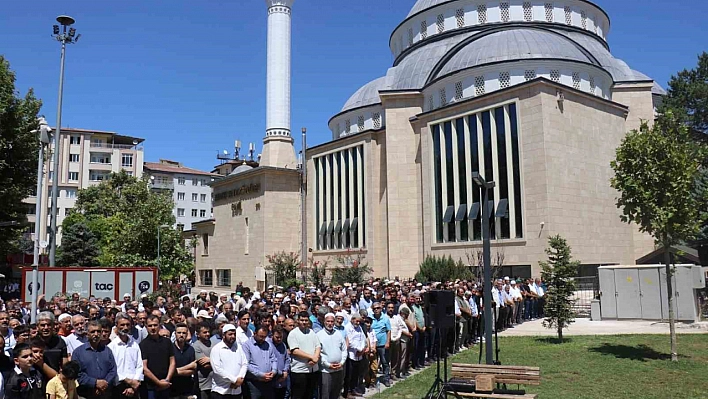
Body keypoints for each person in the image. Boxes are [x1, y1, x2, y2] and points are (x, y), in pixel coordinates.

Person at [72, 320, 117, 399]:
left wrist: (104, 384)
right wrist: (95, 383)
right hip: (85, 394)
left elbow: (112, 370)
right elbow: (77, 374)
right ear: (87, 334)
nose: (96, 334)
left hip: (105, 393)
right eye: (93, 332)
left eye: (98, 331)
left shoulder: (107, 350)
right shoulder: (78, 352)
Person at [108, 313, 144, 399]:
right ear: (116, 326)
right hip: (119, 387)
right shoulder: (111, 346)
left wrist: (134, 383)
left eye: (128, 325)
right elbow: (113, 368)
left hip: (135, 387)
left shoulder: (134, 344)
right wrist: (128, 381)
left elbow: (139, 365)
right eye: (122, 325)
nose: (125, 327)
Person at [140, 314, 176, 399]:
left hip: (167, 385)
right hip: (150, 388)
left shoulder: (167, 342)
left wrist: (167, 380)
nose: (153, 328)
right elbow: (144, 368)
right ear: (146, 327)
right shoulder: (143, 345)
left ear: (159, 326)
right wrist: (158, 383)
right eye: (150, 325)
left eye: (155, 325)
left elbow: (172, 362)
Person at [287, 311, 321, 399]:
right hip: (299, 371)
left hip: (312, 370)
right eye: (302, 320)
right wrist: (312, 357)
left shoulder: (312, 332)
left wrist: (315, 358)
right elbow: (295, 351)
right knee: (298, 395)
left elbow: (318, 346)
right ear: (298, 321)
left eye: (306, 320)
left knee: (309, 395)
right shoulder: (293, 334)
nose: (304, 322)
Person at [210, 324, 247, 399]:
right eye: (230, 334)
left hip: (236, 391)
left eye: (234, 334)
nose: (233, 336)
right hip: (221, 391)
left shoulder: (239, 348)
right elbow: (217, 369)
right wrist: (234, 380)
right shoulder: (217, 349)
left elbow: (244, 363)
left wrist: (240, 379)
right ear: (223, 335)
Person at [242, 324, 277, 399]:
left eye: (264, 337)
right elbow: (246, 364)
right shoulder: (247, 345)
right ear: (254, 334)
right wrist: (261, 375)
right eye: (261, 336)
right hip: (254, 382)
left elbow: (273, 359)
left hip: (268, 381)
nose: (263, 339)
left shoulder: (268, 344)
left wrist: (273, 371)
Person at [317, 313, 347, 399]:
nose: (330, 323)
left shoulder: (338, 334)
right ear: (324, 322)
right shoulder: (319, 335)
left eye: (332, 321)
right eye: (328, 321)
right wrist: (328, 365)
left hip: (339, 368)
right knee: (325, 394)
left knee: (336, 393)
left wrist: (342, 362)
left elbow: (344, 350)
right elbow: (318, 354)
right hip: (326, 371)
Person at [37, 311, 68, 379]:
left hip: (55, 381)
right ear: (37, 326)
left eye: (49, 325)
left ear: (53, 326)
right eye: (42, 325)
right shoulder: (32, 342)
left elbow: (65, 365)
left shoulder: (60, 342)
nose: (46, 328)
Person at [171, 323, 197, 399]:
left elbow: (192, 370)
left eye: (184, 333)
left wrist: (176, 371)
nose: (181, 335)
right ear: (175, 334)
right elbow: (169, 371)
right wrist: (189, 366)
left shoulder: (190, 349)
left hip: (187, 389)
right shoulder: (170, 349)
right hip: (172, 390)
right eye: (179, 333)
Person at [370, 302, 391, 387]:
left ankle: (386, 379)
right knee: (373, 364)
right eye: (374, 308)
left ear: (381, 308)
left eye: (378, 308)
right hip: (373, 345)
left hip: (383, 344)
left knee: (385, 362)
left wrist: (388, 342)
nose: (376, 310)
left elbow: (388, 330)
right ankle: (372, 381)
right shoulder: (370, 318)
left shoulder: (385, 318)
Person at [267, 325, 290, 399]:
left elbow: (287, 359)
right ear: (272, 335)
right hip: (272, 378)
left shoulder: (283, 345)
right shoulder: (267, 344)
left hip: (283, 378)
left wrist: (285, 371)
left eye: (281, 337)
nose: (279, 339)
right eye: (277, 337)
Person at [192, 323, 214, 399]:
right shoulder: (196, 346)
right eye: (204, 332)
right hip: (204, 384)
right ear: (198, 334)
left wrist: (210, 360)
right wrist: (219, 363)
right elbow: (205, 365)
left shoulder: (212, 343)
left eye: (208, 332)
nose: (207, 334)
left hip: (215, 383)